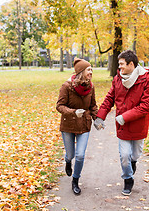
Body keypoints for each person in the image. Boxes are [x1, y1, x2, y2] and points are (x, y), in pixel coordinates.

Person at [94, 50, 149, 196]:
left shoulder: (147, 80)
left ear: (131, 64)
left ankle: (133, 163)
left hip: (139, 125)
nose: (119, 67)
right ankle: (128, 179)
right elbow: (110, 98)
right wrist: (100, 117)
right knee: (125, 156)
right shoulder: (117, 79)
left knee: (135, 154)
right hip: (122, 126)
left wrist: (125, 116)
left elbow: (146, 106)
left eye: (122, 64)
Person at [56, 58, 98, 195]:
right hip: (69, 124)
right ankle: (68, 161)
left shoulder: (91, 87)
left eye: (91, 69)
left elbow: (92, 106)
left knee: (80, 155)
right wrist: (74, 112)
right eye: (88, 70)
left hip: (84, 125)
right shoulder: (66, 86)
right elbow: (59, 106)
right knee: (71, 154)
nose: (91, 72)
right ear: (81, 72)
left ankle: (75, 180)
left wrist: (97, 119)